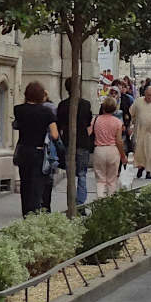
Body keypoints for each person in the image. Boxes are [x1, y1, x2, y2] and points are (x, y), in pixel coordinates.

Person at [13, 81, 60, 217]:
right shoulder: (46, 112)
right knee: (37, 186)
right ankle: (33, 214)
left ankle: (25, 213)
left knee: (25, 184)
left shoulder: (18, 110)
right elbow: (55, 134)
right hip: (39, 152)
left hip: (23, 151)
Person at [56, 78, 93, 209]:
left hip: (68, 142)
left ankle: (71, 202)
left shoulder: (62, 105)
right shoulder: (86, 104)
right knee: (82, 174)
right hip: (82, 142)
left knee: (70, 175)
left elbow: (58, 124)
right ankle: (80, 203)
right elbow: (88, 122)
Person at [90, 97, 126, 198]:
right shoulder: (117, 122)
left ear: (103, 107)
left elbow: (89, 132)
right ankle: (110, 202)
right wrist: (123, 156)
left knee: (100, 180)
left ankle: (100, 200)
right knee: (112, 180)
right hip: (113, 150)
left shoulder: (96, 119)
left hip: (99, 150)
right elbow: (119, 141)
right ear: (115, 109)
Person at [131, 80, 151, 180]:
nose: (149, 97)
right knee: (139, 151)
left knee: (150, 152)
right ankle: (141, 167)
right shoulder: (138, 101)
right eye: (148, 95)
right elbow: (132, 113)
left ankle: (149, 171)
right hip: (140, 130)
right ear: (145, 94)